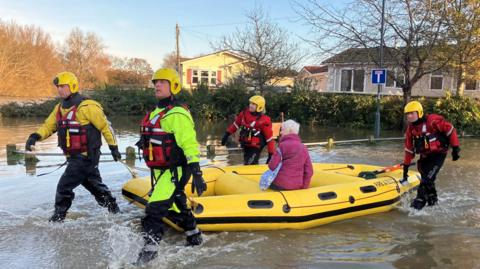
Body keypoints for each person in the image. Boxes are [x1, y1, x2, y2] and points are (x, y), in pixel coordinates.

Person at [25, 71, 121, 222]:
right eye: (58, 86)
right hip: (75, 158)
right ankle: (115, 212)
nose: (59, 89)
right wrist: (35, 136)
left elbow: (106, 127)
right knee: (96, 188)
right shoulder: (59, 108)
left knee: (63, 187)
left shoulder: (88, 106)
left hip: (85, 157)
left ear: (73, 86)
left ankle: (57, 220)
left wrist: (113, 148)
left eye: (63, 86)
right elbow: (48, 126)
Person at [135, 68, 207, 264]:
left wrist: (197, 173)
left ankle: (147, 259)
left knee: (154, 211)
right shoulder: (155, 113)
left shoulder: (178, 114)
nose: (157, 85)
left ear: (173, 86)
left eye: (162, 82)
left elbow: (189, 144)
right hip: (160, 171)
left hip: (175, 171)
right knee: (177, 203)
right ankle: (195, 237)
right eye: (155, 82)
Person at [402, 101, 460, 210]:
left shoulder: (432, 120)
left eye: (412, 113)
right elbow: (409, 149)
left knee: (426, 180)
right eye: (407, 114)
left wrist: (455, 148)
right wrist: (405, 167)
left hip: (438, 155)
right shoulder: (411, 129)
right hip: (425, 158)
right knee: (427, 179)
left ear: (419, 112)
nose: (409, 116)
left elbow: (450, 130)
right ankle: (433, 201)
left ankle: (418, 203)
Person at [221, 95, 275, 165]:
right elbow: (235, 125)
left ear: (260, 106)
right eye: (250, 103)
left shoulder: (264, 120)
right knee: (247, 162)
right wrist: (226, 134)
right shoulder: (244, 113)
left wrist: (271, 154)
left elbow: (269, 139)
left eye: (253, 104)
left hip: (256, 146)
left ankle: (253, 171)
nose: (250, 105)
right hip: (246, 144)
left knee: (250, 163)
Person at [267, 120, 313, 190]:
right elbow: (309, 171)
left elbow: (272, 166)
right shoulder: (304, 148)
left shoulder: (282, 146)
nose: (280, 132)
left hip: (279, 185)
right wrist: (304, 187)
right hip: (297, 186)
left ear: (289, 131)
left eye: (282, 130)